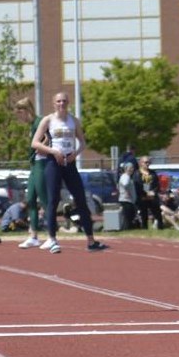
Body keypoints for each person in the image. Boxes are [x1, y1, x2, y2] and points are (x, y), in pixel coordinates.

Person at [30, 92, 107, 252]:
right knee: (53, 200)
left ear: (68, 102)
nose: (61, 104)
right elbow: (35, 143)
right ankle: (52, 239)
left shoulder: (74, 121)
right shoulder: (48, 120)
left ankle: (91, 240)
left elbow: (83, 142)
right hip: (53, 162)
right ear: (53, 103)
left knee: (80, 199)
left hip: (69, 163)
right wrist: (53, 151)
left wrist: (75, 154)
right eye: (58, 101)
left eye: (64, 101)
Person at [14, 96, 51, 249]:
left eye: (19, 114)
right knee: (30, 199)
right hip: (34, 165)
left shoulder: (39, 122)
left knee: (44, 200)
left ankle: (51, 235)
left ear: (25, 111)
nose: (19, 118)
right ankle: (33, 235)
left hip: (42, 164)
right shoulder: (31, 125)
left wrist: (39, 149)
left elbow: (48, 138)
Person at [136, 158, 165, 230]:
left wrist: (153, 192)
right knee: (144, 214)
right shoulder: (137, 173)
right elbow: (137, 185)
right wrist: (145, 194)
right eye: (145, 162)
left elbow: (157, 185)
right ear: (141, 163)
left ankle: (160, 227)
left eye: (149, 162)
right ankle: (144, 228)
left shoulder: (153, 173)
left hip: (152, 197)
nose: (147, 164)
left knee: (158, 214)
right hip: (142, 197)